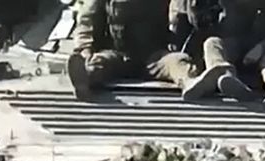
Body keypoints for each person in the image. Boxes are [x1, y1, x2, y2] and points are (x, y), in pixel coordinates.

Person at [68, 0, 215, 99]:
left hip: (155, 56)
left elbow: (184, 15)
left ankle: (191, 82)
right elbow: (87, 22)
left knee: (177, 61)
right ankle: (85, 80)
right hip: (118, 54)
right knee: (98, 63)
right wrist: (84, 50)